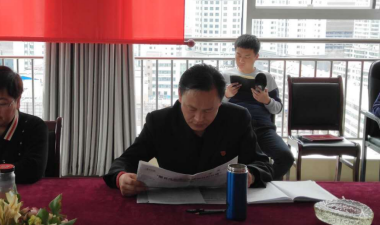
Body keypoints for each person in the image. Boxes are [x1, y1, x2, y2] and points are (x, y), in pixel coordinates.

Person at [103, 63, 274, 197]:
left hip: (223, 205)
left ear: (221, 101)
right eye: (191, 109)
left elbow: (262, 164)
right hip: (170, 208)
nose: (198, 118)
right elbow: (124, 162)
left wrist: (251, 175)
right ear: (180, 95)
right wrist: (121, 178)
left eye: (208, 110)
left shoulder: (237, 118)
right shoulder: (159, 121)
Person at [221, 34, 294, 180]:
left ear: (256, 57)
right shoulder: (225, 76)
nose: (241, 60)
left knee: (286, 157)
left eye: (247, 56)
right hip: (234, 128)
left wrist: (266, 100)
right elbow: (214, 106)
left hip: (262, 128)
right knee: (228, 157)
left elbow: (278, 108)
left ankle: (259, 179)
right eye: (238, 55)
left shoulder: (265, 77)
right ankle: (249, 180)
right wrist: (227, 96)